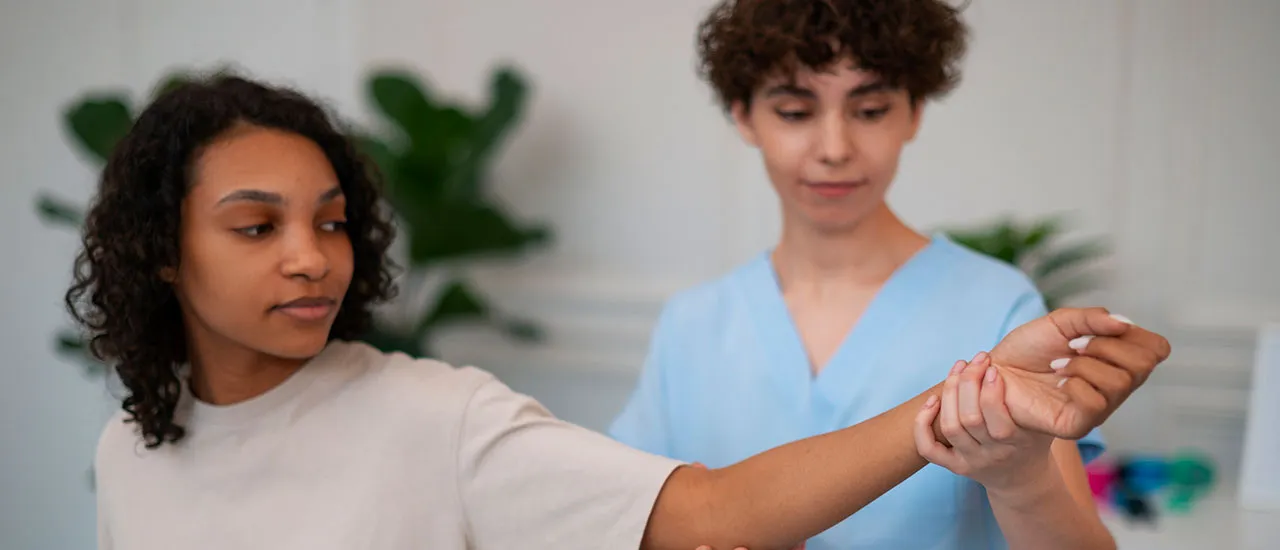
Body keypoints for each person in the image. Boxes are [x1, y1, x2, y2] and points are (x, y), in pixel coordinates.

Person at [74, 73, 1168, 550]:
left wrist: (972, 406)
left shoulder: (432, 414)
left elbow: (707, 506)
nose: (311, 257)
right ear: (161, 252)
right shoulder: (128, 452)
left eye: (331, 221)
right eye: (256, 227)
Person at [609, 1, 1123, 549]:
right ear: (744, 116)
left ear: (914, 112)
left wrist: (1021, 483)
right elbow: (624, 524)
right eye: (794, 113)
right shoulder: (691, 326)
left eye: (871, 110)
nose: (835, 150)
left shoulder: (998, 308)